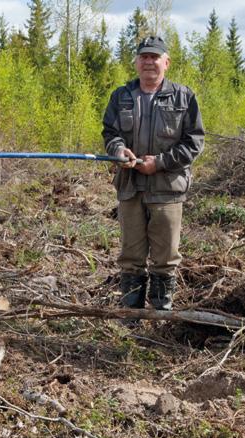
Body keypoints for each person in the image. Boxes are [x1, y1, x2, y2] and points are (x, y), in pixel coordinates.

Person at [101, 35, 205, 310]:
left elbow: (194, 143)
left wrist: (158, 163)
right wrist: (119, 150)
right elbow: (110, 133)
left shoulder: (184, 97)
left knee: (165, 257)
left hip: (167, 189)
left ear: (166, 62)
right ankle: (131, 320)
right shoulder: (120, 96)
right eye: (144, 57)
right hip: (130, 187)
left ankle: (160, 319)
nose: (149, 61)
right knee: (130, 255)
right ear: (136, 62)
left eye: (154, 57)